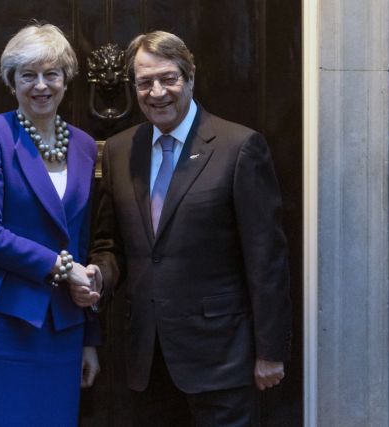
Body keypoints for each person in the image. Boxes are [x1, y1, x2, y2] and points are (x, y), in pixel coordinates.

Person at [71, 31, 292, 426]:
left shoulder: (239, 147)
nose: (157, 92)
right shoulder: (120, 150)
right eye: (145, 82)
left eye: (168, 78)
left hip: (221, 357)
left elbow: (267, 260)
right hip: (146, 357)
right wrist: (99, 275)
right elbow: (110, 243)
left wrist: (270, 352)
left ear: (190, 76)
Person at [0, 23, 102, 426]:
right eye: (28, 75)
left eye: (51, 74)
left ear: (66, 79)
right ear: (11, 81)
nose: (41, 86)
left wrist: (90, 338)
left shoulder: (84, 144)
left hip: (61, 321)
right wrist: (60, 267)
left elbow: (79, 240)